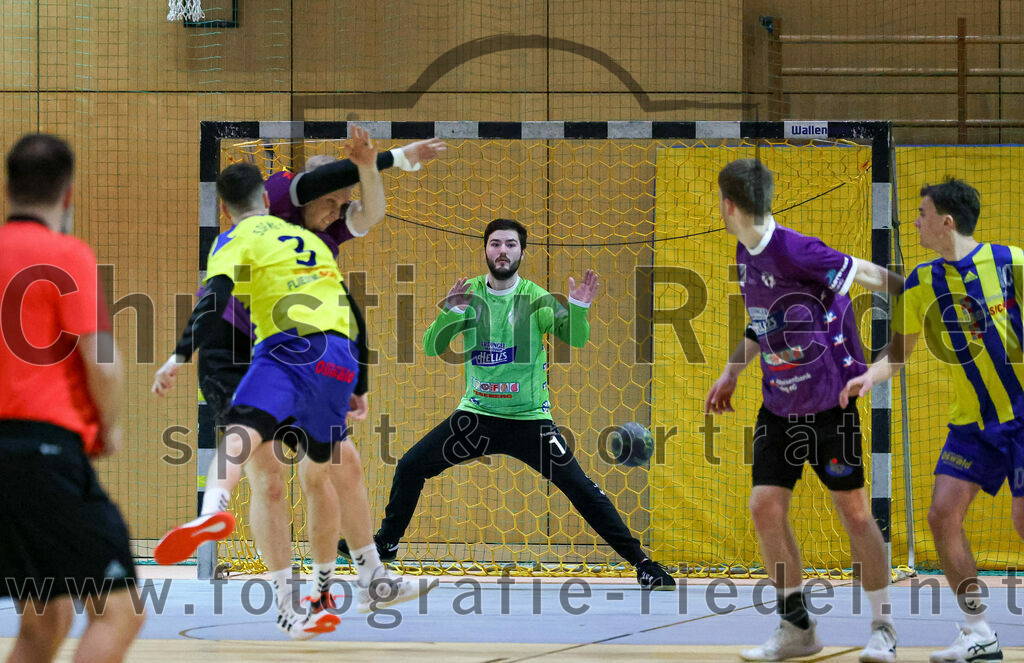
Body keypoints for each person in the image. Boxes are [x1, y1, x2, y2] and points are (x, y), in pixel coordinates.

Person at [154, 158, 429, 638]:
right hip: (234, 347)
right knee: (270, 478)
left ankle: (351, 582)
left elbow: (351, 293)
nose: (338, 209)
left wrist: (358, 384)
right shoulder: (278, 198)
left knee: (338, 464)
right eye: (332, 200)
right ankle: (286, 603)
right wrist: (390, 158)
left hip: (297, 345)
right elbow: (215, 297)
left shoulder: (318, 240)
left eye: (345, 203)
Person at [337, 218, 677, 590]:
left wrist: (578, 306)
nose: (503, 251)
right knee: (411, 465)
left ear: (522, 252)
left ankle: (642, 563)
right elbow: (432, 347)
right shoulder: (469, 297)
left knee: (581, 488)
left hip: (529, 422)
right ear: (485, 250)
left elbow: (576, 339)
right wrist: (449, 311)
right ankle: (386, 543)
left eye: (511, 245)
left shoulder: (538, 298)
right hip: (476, 418)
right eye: (496, 244)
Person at [704, 159, 905, 662]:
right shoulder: (744, 251)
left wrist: (892, 349)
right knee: (765, 507)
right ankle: (797, 629)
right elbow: (761, 324)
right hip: (778, 406)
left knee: (855, 514)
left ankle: (883, 628)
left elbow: (879, 278)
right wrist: (732, 371)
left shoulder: (798, 250)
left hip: (830, 404)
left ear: (728, 205)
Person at [840, 178, 1022, 663]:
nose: (914, 221)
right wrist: (866, 377)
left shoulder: (1012, 264)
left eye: (921, 213)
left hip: (1023, 417)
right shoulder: (922, 282)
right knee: (942, 515)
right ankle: (978, 630)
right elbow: (896, 356)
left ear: (947, 221)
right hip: (973, 424)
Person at [0, 133, 145, 662]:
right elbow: (102, 359)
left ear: (7, 187)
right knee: (120, 611)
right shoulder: (66, 255)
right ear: (69, 196)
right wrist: (108, 428)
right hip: (44, 457)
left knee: (47, 617)